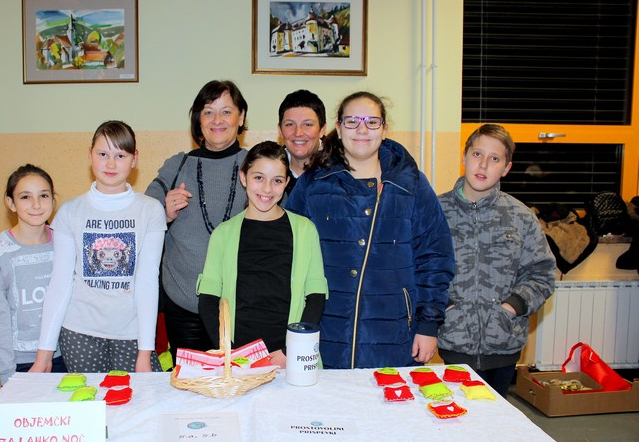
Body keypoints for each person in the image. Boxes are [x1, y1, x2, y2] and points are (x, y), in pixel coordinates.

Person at [286, 91, 454, 369]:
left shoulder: (411, 185)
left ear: (384, 129)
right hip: (324, 333)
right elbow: (287, 252)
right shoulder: (313, 183)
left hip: (394, 335)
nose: (362, 130)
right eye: (352, 121)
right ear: (339, 128)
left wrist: (428, 325)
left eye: (372, 122)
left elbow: (435, 258)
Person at [32, 121, 165, 373]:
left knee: (142, 398)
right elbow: (60, 282)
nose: (111, 164)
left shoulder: (150, 210)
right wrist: (43, 355)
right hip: (79, 334)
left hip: (133, 335)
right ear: (90, 155)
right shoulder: (70, 211)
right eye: (103, 154)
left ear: (134, 159)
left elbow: (148, 280)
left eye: (120, 155)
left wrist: (145, 352)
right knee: (88, 399)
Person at [438, 124, 556, 397]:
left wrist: (511, 308)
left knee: (496, 418)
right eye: (477, 154)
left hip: (504, 342)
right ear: (464, 157)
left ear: (506, 168)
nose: (483, 165)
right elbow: (419, 269)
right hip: (453, 340)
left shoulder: (520, 216)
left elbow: (542, 273)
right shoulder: (435, 212)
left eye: (494, 159)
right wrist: (446, 307)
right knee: (454, 414)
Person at [197, 141, 328, 367]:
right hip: (237, 358)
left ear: (286, 183)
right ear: (244, 177)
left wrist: (291, 350)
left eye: (277, 180)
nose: (267, 189)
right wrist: (230, 352)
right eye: (259, 178)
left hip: (290, 357)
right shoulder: (223, 233)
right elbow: (208, 301)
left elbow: (316, 297)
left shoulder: (305, 230)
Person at [146, 80, 249, 362]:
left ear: (241, 117)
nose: (217, 120)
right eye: (208, 112)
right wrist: (164, 213)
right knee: (189, 383)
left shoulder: (256, 166)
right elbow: (142, 217)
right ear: (198, 120)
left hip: (241, 304)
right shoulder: (177, 165)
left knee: (241, 381)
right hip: (183, 302)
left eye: (226, 111)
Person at [0, 164, 66, 393]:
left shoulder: (65, 244)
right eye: (25, 197)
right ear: (11, 203)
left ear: (53, 199)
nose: (36, 205)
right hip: (18, 363)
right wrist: (4, 373)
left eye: (43, 195)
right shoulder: (0, 254)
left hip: (65, 356)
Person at [277, 89, 327, 196]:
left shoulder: (339, 170)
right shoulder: (269, 170)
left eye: (307, 125)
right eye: (290, 124)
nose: (298, 133)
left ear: (322, 129)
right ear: (280, 130)